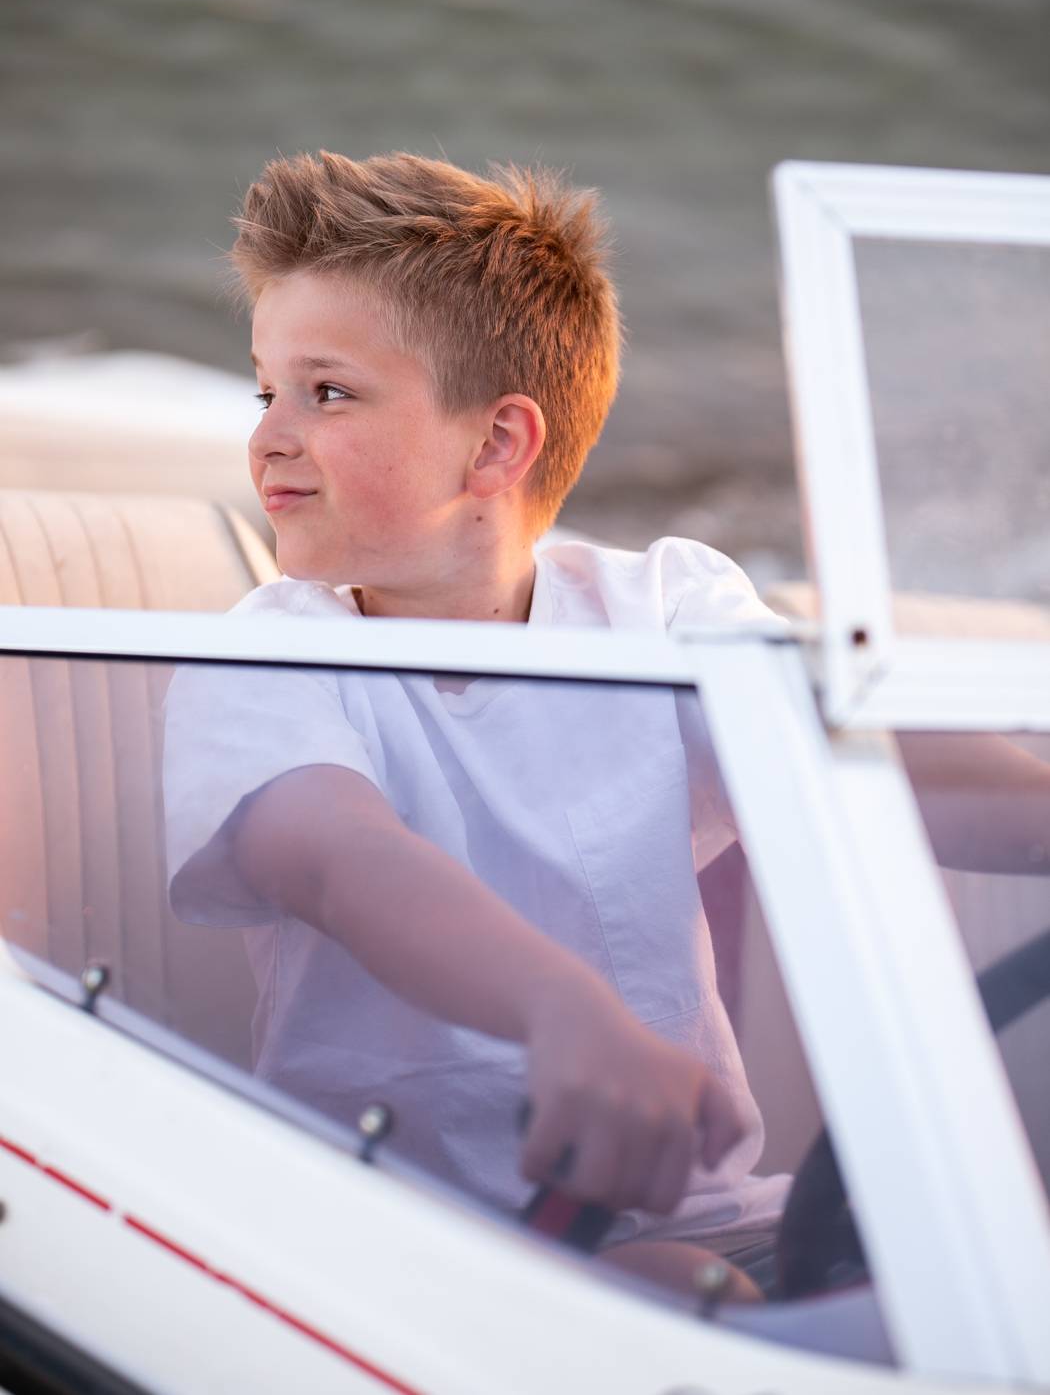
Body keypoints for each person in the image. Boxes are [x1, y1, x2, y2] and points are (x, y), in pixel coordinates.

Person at [160, 153, 779, 1302]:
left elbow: (857, 754)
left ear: (496, 445)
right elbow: (338, 860)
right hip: (392, 1261)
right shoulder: (269, 654)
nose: (269, 438)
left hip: (706, 1223)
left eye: (325, 394)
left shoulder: (666, 607)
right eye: (265, 392)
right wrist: (565, 1012)